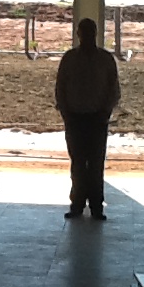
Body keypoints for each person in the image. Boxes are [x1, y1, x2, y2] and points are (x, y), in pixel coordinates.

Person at [55, 18, 121, 220]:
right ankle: (78, 204)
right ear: (79, 35)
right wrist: (66, 113)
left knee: (95, 164)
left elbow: (113, 90)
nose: (87, 37)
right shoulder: (71, 59)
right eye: (84, 33)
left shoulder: (104, 60)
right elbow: (60, 89)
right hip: (75, 118)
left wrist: (105, 113)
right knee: (78, 163)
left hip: (96, 119)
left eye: (89, 32)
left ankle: (95, 207)